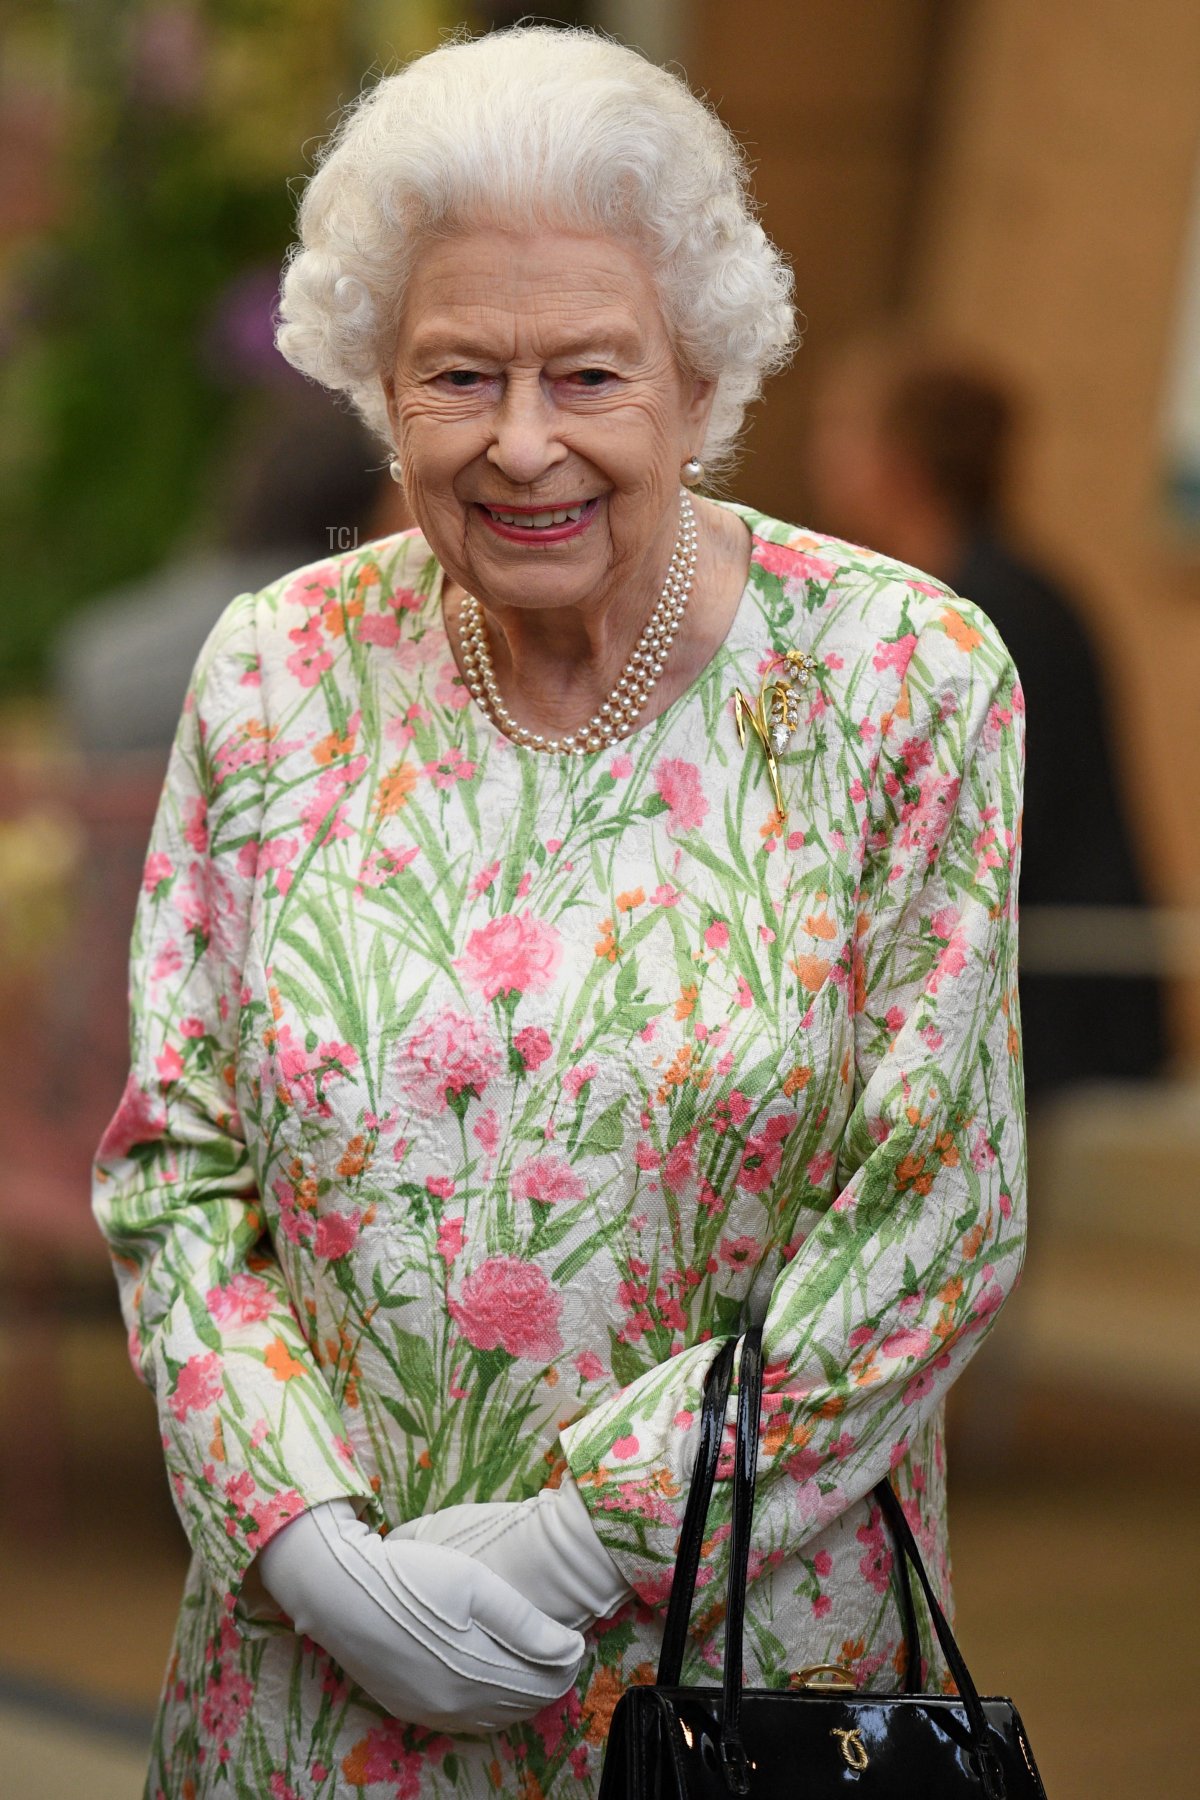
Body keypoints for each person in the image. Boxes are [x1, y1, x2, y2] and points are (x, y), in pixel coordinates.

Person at [91, 27, 1027, 1799]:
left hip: (728, 1694)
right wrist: (301, 1539)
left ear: (697, 371)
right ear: (382, 385)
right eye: (460, 377)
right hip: (309, 1698)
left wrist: (593, 1535)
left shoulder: (905, 680)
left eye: (590, 375)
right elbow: (177, 1170)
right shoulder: (275, 674)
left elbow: (938, 1214)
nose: (524, 447)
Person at [805, 332, 1166, 1103]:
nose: (819, 456)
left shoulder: (988, 617)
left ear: (897, 464)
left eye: (841, 432)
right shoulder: (929, 595)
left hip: (1042, 1007)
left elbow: (965, 843)